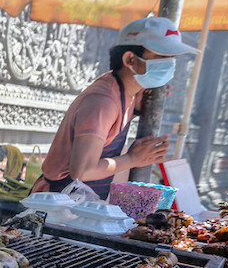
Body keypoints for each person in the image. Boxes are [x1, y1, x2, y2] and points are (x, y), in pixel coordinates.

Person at [32, 16, 197, 200]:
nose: (170, 64)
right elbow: (82, 171)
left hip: (80, 201)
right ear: (130, 59)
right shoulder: (103, 101)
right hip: (57, 203)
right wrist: (133, 158)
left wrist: (139, 108)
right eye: (161, 56)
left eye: (172, 57)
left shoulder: (126, 91)